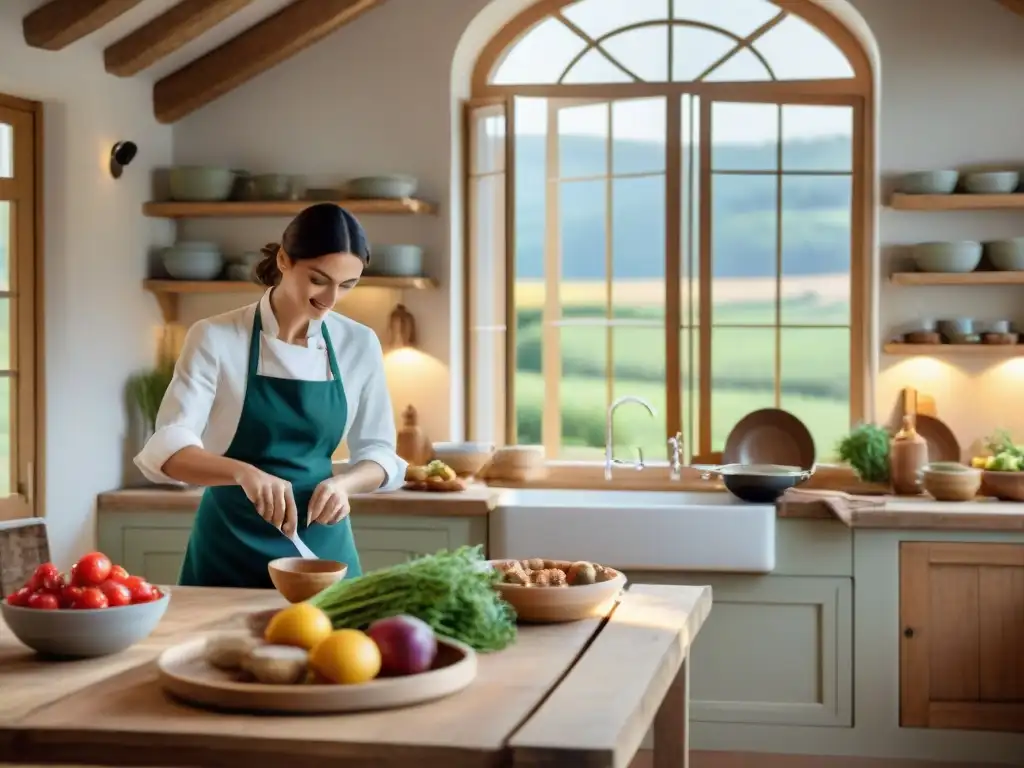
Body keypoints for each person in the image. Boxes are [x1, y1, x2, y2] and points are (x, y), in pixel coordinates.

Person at [134, 203, 407, 588]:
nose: (331, 298)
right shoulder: (216, 336)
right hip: (229, 544)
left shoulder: (358, 343)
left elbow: (380, 453)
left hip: (321, 545)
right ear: (283, 259)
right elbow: (168, 449)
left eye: (347, 285)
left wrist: (344, 485)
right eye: (318, 279)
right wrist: (243, 473)